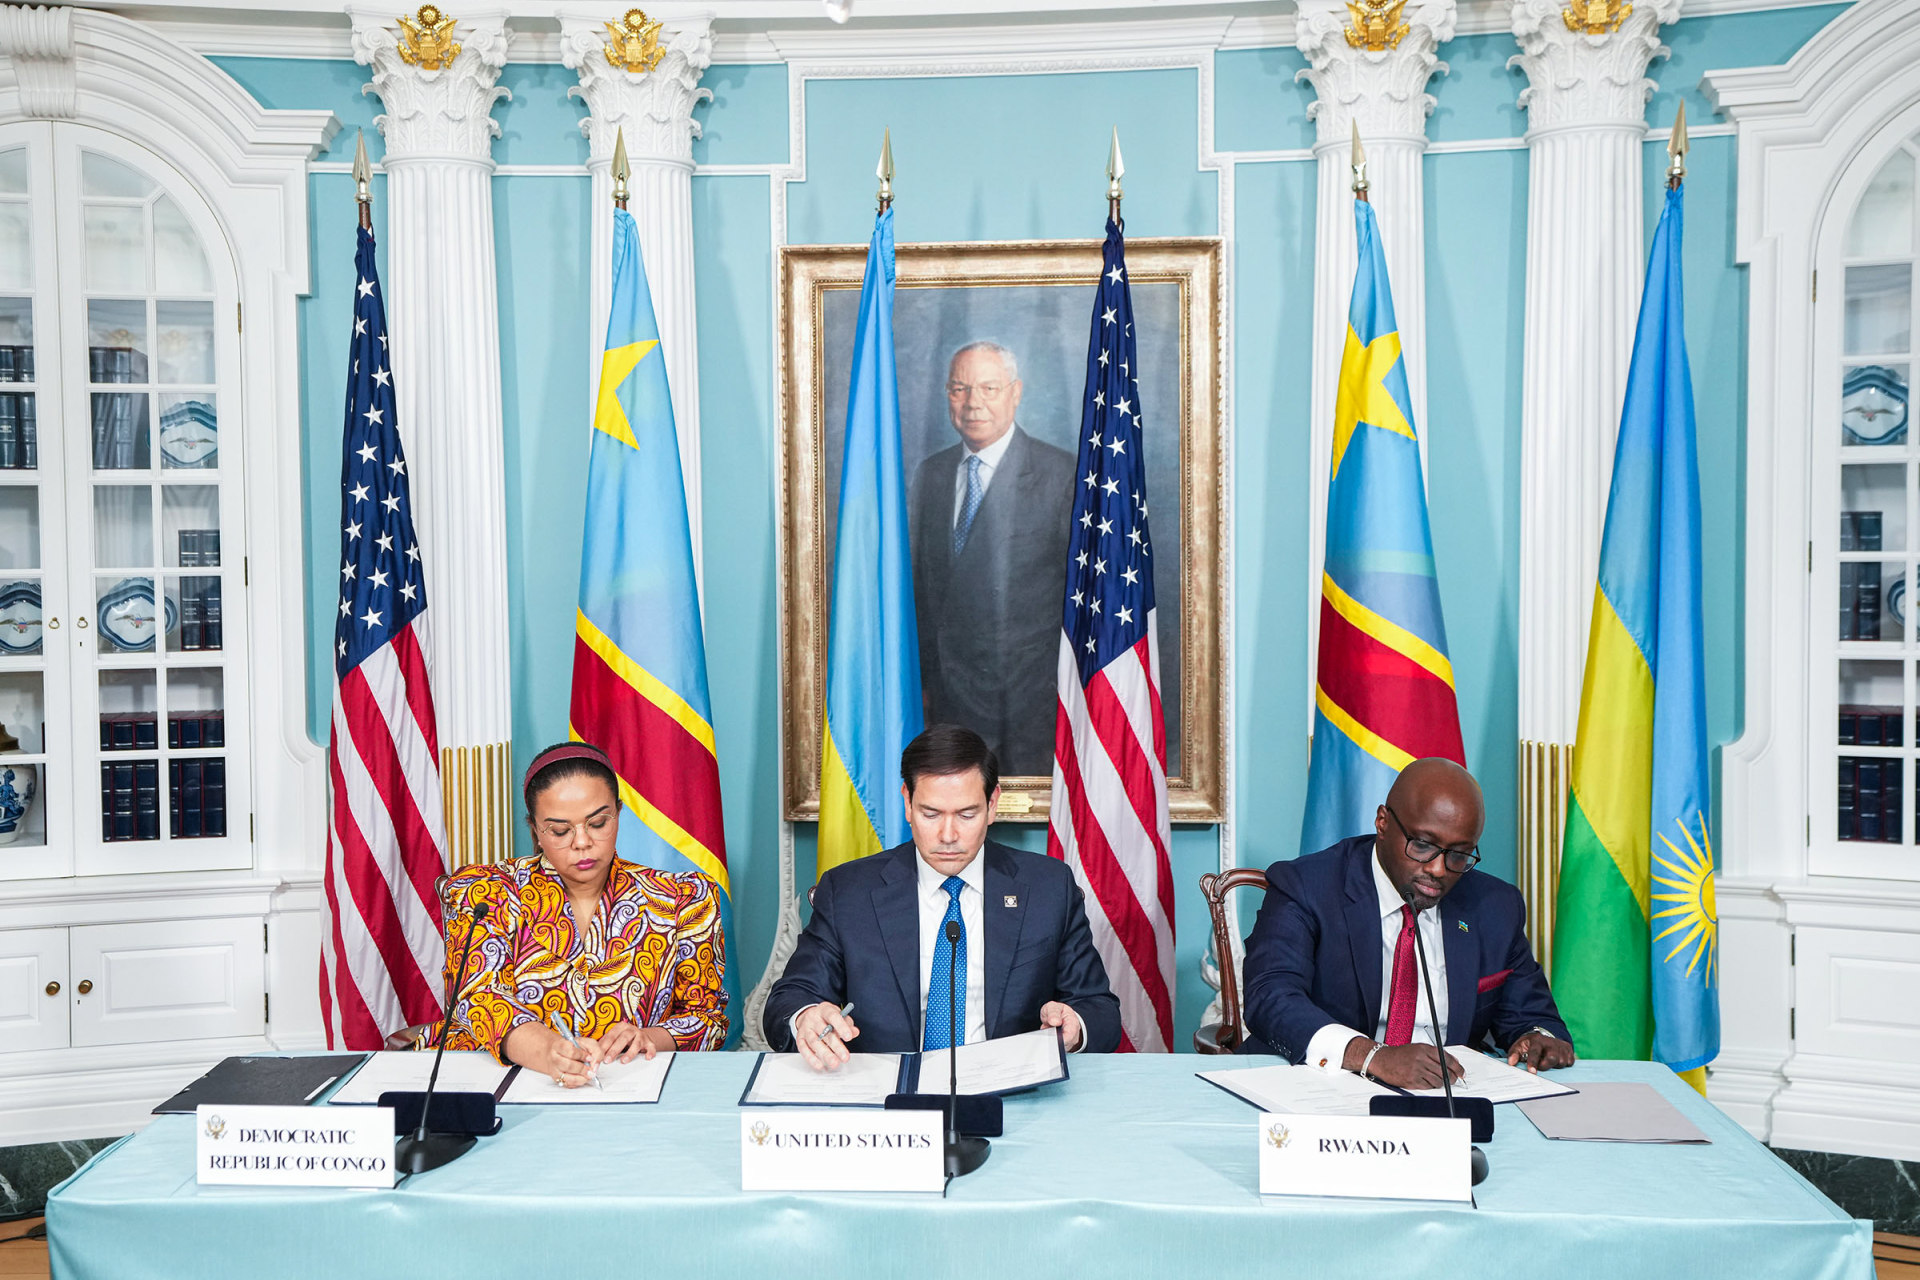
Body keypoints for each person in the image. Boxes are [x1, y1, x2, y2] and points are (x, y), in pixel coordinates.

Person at [764, 723, 1121, 1065]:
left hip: (1011, 1089)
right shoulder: (849, 892)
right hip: (887, 1091)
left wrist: (1074, 1025)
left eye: (966, 815)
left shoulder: (1048, 888)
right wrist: (806, 1016)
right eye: (931, 814)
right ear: (908, 802)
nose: (948, 835)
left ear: (992, 804)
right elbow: (790, 997)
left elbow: (1099, 1010)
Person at [1241, 757, 1575, 1089]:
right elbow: (1271, 996)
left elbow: (1531, 1015)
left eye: (1459, 854)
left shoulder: (1494, 906)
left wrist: (1538, 1038)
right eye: (1423, 845)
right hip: (1322, 1087)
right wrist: (1372, 1056)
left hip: (1445, 1093)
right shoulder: (1307, 886)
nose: (1438, 869)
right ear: (1383, 823)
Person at [432, 741, 728, 1087]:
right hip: (501, 1086)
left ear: (618, 813)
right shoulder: (488, 892)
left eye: (598, 823)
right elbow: (477, 999)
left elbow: (707, 1020)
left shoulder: (682, 899)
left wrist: (648, 1037)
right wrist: (547, 1051)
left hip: (629, 1089)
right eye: (560, 831)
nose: (582, 842)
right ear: (535, 830)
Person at [907, 341, 1075, 776]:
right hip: (945, 706)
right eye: (959, 389)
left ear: (1015, 393)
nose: (973, 403)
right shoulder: (931, 474)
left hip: (1028, 711)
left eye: (989, 388)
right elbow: (922, 591)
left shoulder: (1062, 475)